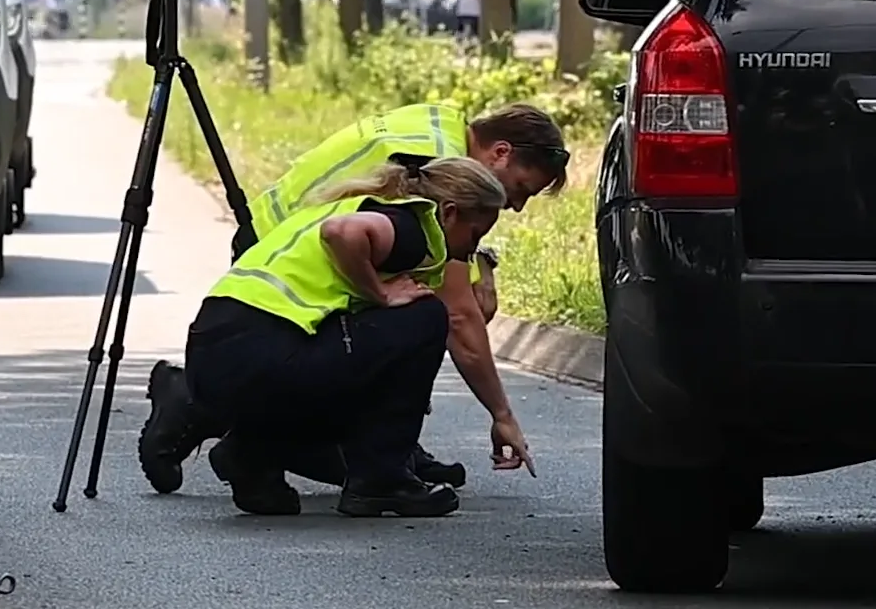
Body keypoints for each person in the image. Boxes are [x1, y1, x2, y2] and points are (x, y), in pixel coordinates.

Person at [138, 102, 570, 493]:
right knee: (415, 321)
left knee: (380, 336)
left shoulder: (441, 127)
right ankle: (201, 411)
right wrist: (502, 414)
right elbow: (456, 314)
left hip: (284, 251)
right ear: (500, 152)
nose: (516, 206)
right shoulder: (438, 161)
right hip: (286, 265)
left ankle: (309, 447)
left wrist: (481, 263)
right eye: (521, 188)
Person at [181, 156, 528, 517]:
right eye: (475, 236)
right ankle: (382, 479)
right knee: (424, 317)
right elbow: (342, 233)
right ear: (451, 212)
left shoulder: (350, 204)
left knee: (375, 348)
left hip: (212, 363)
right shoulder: (411, 226)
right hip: (261, 360)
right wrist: (381, 293)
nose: (471, 252)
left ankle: (254, 454)